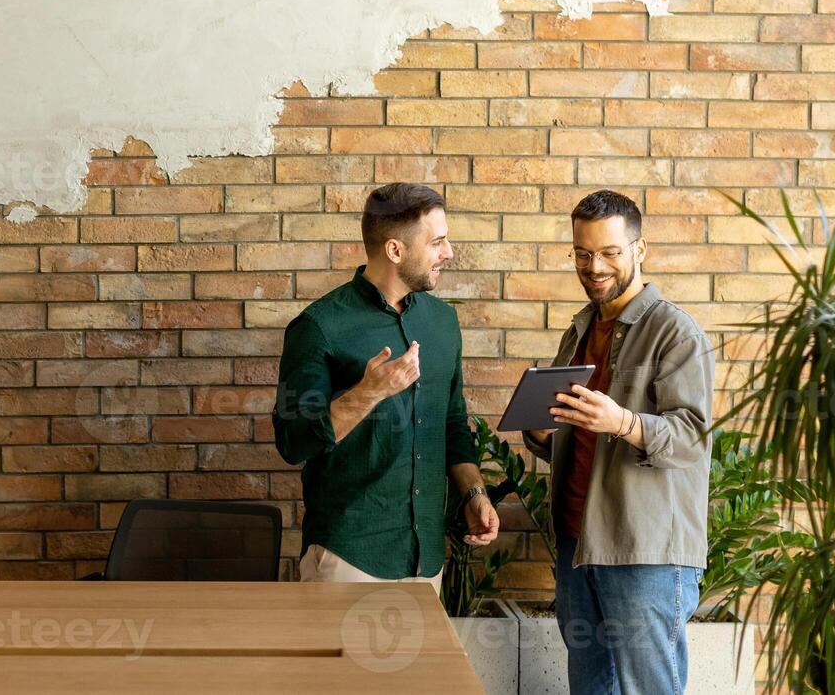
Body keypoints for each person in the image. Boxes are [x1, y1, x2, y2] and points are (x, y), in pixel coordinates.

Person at [524, 189, 714, 694]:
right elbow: (575, 434)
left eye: (609, 252)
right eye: (583, 254)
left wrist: (625, 422)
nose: (594, 266)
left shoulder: (676, 332)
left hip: (643, 552)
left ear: (639, 249)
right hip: (578, 543)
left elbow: (692, 437)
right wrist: (543, 432)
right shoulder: (581, 329)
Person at [273, 182, 498, 587]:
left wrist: (473, 493)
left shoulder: (442, 323)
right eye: (438, 242)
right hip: (349, 558)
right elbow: (293, 442)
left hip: (426, 561)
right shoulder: (319, 327)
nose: (448, 252)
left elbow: (452, 424)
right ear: (395, 250)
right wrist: (369, 392)